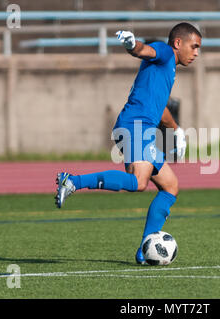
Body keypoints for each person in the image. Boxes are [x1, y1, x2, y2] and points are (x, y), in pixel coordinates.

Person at [55, 22, 202, 264]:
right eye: (194, 46)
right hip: (134, 126)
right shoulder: (165, 54)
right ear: (178, 43)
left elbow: (161, 107)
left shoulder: (167, 70)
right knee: (139, 182)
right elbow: (145, 50)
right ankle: (71, 181)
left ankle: (144, 250)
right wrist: (133, 45)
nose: (196, 52)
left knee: (170, 186)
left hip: (142, 129)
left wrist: (176, 131)